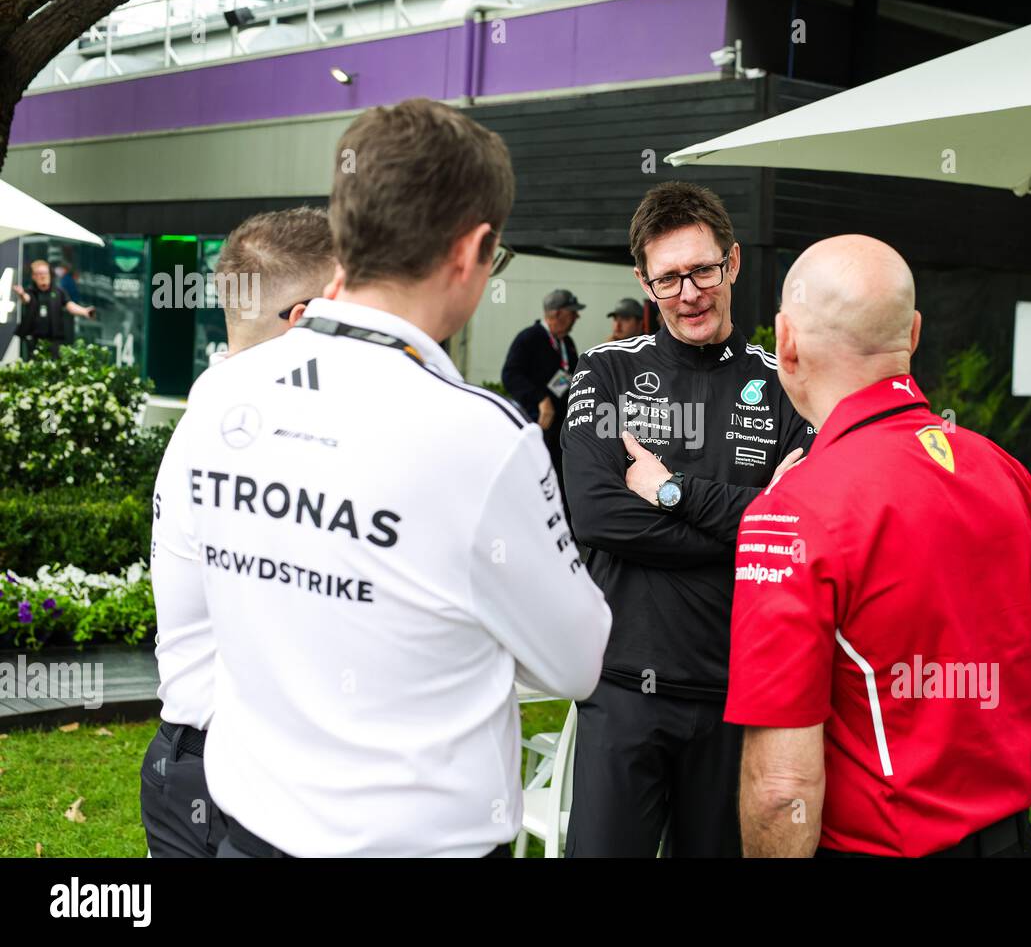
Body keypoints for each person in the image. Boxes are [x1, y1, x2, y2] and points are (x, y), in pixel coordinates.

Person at [169, 98, 611, 857]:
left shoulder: (222, 392)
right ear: (471, 251)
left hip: (244, 829)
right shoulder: (483, 436)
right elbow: (577, 661)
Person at [725, 235, 1031, 858]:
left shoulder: (792, 511)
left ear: (786, 341)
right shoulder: (1006, 471)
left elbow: (781, 785)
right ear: (912, 334)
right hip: (1011, 840)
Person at [560, 180, 810, 857]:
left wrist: (672, 492)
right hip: (621, 688)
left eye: (702, 269)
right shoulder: (606, 372)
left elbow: (801, 532)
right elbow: (597, 516)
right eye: (668, 278)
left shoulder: (785, 387)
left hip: (738, 693)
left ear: (733, 263)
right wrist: (748, 523)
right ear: (644, 281)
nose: (689, 293)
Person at [140, 206, 336, 858]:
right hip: (240, 775)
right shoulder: (276, 439)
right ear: (306, 317)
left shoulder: (212, 412)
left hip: (184, 757)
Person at [502, 289, 582, 488]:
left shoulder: (567, 343)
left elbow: (569, 375)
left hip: (562, 429)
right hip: (538, 424)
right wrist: (541, 398)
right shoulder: (529, 338)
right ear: (557, 314)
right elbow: (510, 375)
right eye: (572, 312)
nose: (577, 317)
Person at [11, 258, 95, 358]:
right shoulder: (31, 292)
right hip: (34, 341)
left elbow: (69, 305)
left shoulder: (59, 292)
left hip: (55, 341)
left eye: (45, 273)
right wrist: (21, 294)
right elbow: (26, 299)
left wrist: (84, 311)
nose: (43, 276)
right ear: (34, 276)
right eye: (39, 273)